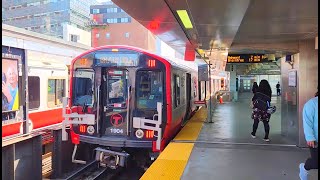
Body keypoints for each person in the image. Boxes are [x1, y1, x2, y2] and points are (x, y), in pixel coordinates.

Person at [299, 90, 318, 180]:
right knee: (316, 163)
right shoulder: (312, 104)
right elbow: (307, 122)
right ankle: (304, 168)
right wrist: (310, 137)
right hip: (315, 139)